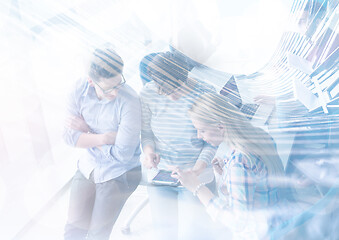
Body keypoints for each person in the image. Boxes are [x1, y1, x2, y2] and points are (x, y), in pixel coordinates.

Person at [172, 92, 285, 240]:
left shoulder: (239, 162)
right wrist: (224, 175)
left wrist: (198, 188)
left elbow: (239, 223)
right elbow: (256, 188)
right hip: (278, 225)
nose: (199, 136)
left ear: (220, 127)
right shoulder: (260, 135)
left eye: (202, 130)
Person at [63, 45, 142, 240]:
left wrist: (87, 133)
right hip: (89, 164)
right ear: (91, 81)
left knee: (97, 234)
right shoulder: (78, 89)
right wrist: (104, 138)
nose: (115, 93)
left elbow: (123, 155)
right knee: (73, 228)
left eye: (118, 84)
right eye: (108, 89)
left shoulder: (129, 101)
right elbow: (68, 136)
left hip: (120, 171)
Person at [140, 51, 217, 240]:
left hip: (196, 174)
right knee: (164, 233)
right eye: (164, 91)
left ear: (186, 77)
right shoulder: (148, 94)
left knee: (196, 234)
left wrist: (197, 170)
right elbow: (147, 133)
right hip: (162, 174)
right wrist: (149, 152)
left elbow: (213, 141)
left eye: (176, 90)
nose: (171, 97)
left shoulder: (205, 93)